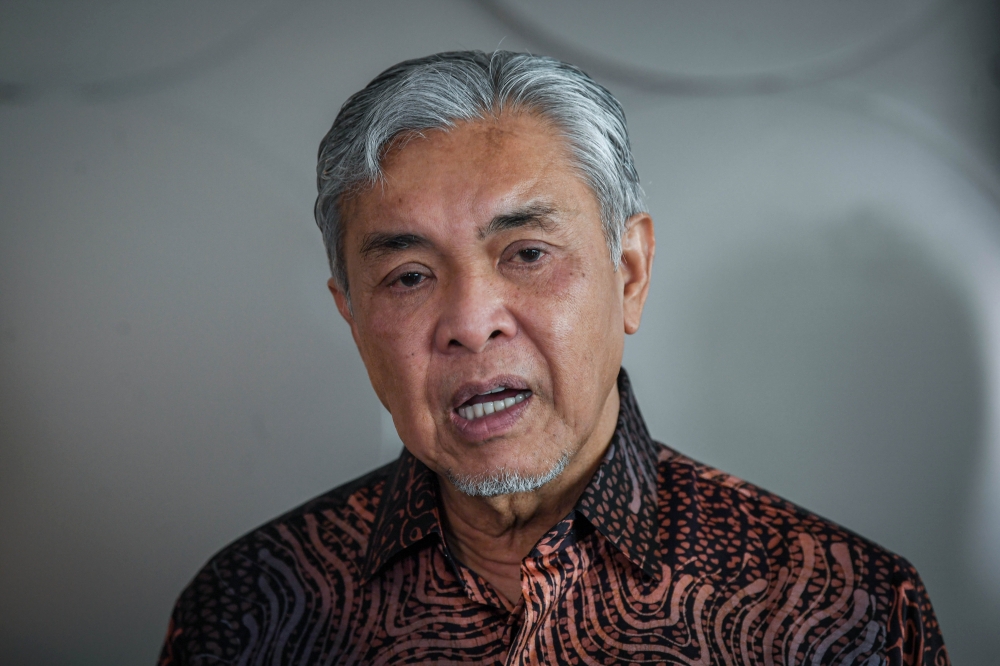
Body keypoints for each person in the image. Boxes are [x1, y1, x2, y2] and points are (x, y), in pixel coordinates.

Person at [159, 51, 948, 665]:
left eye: (528, 253)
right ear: (354, 318)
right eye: (408, 277)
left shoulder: (844, 609)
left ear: (630, 273)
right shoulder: (249, 606)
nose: (470, 323)